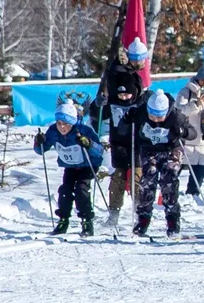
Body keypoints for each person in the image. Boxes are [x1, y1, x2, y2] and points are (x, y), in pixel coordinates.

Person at [125, 89, 197, 237]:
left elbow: (193, 133)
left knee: (169, 177)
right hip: (149, 149)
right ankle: (143, 218)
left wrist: (182, 131)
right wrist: (127, 119)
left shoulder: (176, 116)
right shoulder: (140, 112)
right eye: (152, 116)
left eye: (160, 117)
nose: (156, 120)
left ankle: (172, 220)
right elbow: (122, 128)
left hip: (172, 150)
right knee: (148, 178)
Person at [34, 100, 104, 236]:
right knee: (65, 191)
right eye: (59, 123)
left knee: (81, 190)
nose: (62, 127)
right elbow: (41, 150)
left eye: (65, 124)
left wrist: (88, 143)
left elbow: (100, 151)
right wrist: (39, 142)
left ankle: (87, 221)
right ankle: (63, 220)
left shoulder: (83, 130)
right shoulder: (53, 131)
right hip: (70, 166)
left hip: (87, 165)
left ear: (72, 122)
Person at [103, 38, 148, 227]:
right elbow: (113, 81)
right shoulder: (122, 72)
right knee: (119, 177)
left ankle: (141, 214)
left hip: (136, 137)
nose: (144, 63)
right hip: (121, 136)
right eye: (141, 59)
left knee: (137, 178)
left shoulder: (131, 73)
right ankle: (114, 214)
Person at [176, 63, 204, 205]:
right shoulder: (186, 92)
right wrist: (196, 104)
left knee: (199, 172)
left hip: (202, 140)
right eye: (203, 80)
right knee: (176, 169)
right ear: (198, 79)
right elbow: (178, 112)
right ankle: (171, 192)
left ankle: (193, 194)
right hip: (186, 138)